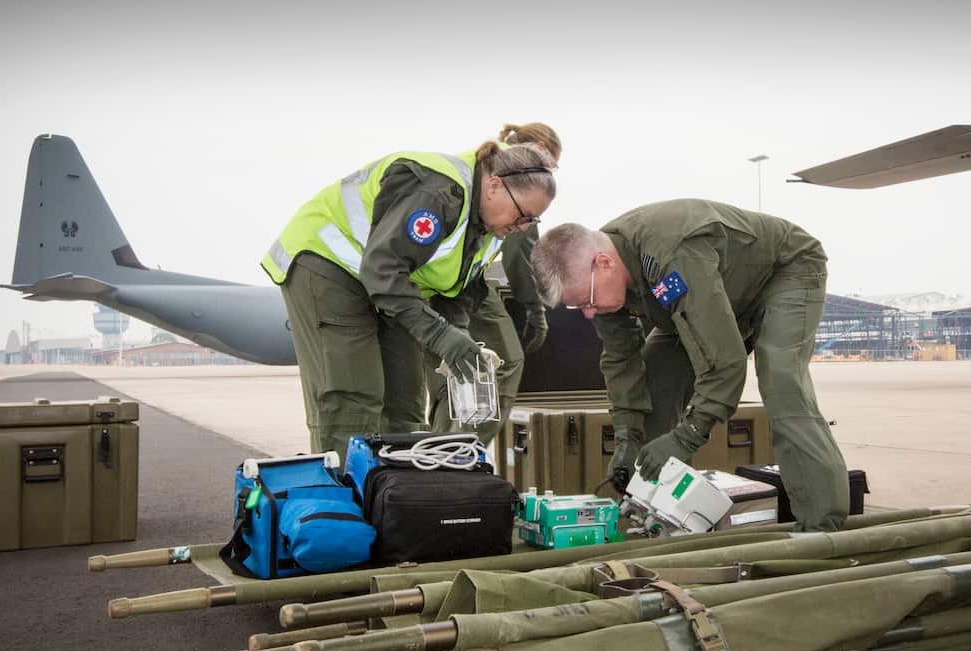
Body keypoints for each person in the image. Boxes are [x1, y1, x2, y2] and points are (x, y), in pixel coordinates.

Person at [529, 200, 849, 531]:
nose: (588, 313)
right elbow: (621, 360)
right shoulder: (605, 285)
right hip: (714, 298)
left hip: (784, 272)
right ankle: (658, 513)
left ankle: (821, 526)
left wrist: (687, 436)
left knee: (781, 382)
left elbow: (724, 361)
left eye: (587, 300)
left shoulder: (671, 254)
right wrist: (628, 436)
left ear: (604, 262)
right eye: (578, 306)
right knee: (654, 380)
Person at [261, 142, 556, 460]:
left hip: (391, 283)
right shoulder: (436, 192)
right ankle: (345, 501)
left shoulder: (490, 228)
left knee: (404, 400)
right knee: (354, 393)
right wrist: (441, 336)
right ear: (495, 185)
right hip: (330, 263)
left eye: (532, 221)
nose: (523, 227)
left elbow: (455, 290)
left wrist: (457, 340)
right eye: (523, 215)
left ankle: (396, 495)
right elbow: (382, 269)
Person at [426, 122, 563, 446]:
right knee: (496, 364)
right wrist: (534, 308)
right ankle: (457, 452)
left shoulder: (488, 172)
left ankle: (436, 452)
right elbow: (519, 254)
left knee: (451, 373)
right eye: (554, 165)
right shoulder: (520, 185)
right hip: (454, 283)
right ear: (541, 148)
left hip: (449, 281)